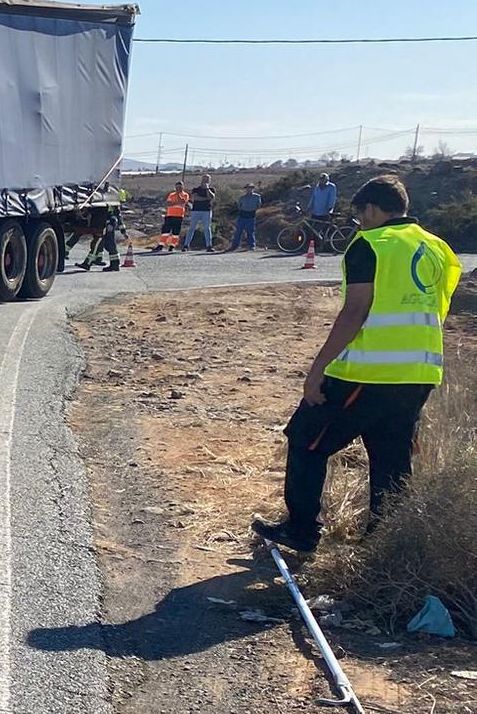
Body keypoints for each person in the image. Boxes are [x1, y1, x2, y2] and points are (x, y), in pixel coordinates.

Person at [253, 174, 460, 553]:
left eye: (361, 214)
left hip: (368, 372)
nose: (360, 222)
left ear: (373, 209)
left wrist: (317, 370)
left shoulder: (370, 244)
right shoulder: (438, 248)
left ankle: (301, 530)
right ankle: (384, 546)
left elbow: (354, 312)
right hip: (421, 372)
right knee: (391, 461)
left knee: (306, 439)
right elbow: (438, 309)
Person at [184, 174, 216, 250]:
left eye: (207, 179)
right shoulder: (196, 189)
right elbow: (195, 198)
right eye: (204, 179)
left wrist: (207, 189)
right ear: (201, 180)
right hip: (196, 211)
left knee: (207, 228)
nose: (205, 181)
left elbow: (211, 197)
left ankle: (209, 246)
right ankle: (186, 245)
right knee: (192, 228)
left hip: (206, 211)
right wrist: (206, 199)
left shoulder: (211, 189)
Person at [229, 184, 262, 251]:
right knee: (238, 231)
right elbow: (239, 206)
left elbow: (258, 205)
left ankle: (252, 245)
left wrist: (253, 209)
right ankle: (235, 246)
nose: (248, 189)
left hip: (251, 215)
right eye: (247, 188)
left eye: (250, 188)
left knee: (250, 231)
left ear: (253, 189)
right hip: (242, 215)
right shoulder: (242, 197)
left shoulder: (257, 197)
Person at [157, 183, 188, 252]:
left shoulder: (185, 195)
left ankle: (172, 246)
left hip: (179, 216)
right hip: (170, 215)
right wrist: (177, 202)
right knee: (165, 231)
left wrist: (178, 195)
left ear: (182, 187)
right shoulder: (171, 195)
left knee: (175, 232)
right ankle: (160, 245)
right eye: (177, 187)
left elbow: (182, 202)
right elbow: (168, 204)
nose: (178, 189)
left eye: (179, 187)